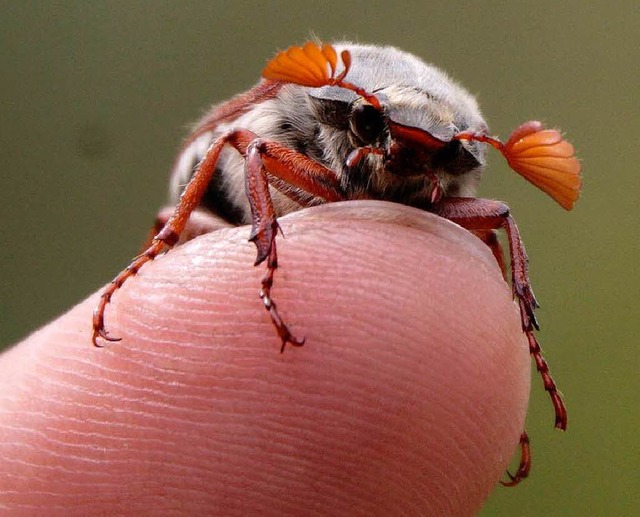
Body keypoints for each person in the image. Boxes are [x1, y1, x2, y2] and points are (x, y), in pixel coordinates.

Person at [0, 202, 529, 514]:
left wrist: (512, 344)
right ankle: (179, 259)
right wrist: (268, 265)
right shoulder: (318, 117)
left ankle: (521, 335)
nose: (411, 163)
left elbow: (496, 222)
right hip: (249, 213)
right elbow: (245, 145)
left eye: (442, 155)